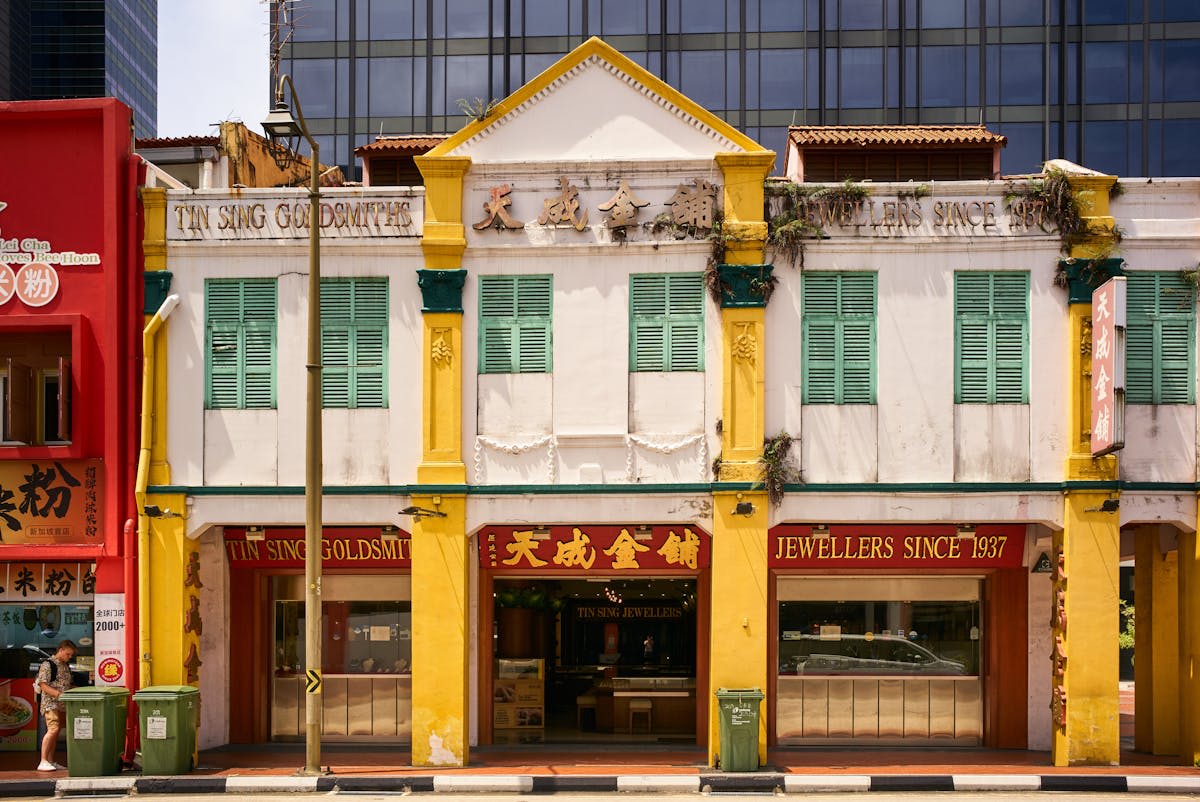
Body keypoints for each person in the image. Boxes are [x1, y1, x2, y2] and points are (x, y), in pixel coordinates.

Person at [36, 639, 76, 772]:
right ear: (61, 650)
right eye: (68, 654)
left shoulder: (65, 666)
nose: (70, 657)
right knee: (53, 728)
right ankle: (43, 760)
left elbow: (67, 684)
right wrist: (58, 694)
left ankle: (51, 760)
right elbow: (42, 684)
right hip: (50, 702)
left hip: (62, 704)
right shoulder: (48, 664)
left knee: (56, 731)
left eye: (71, 655)